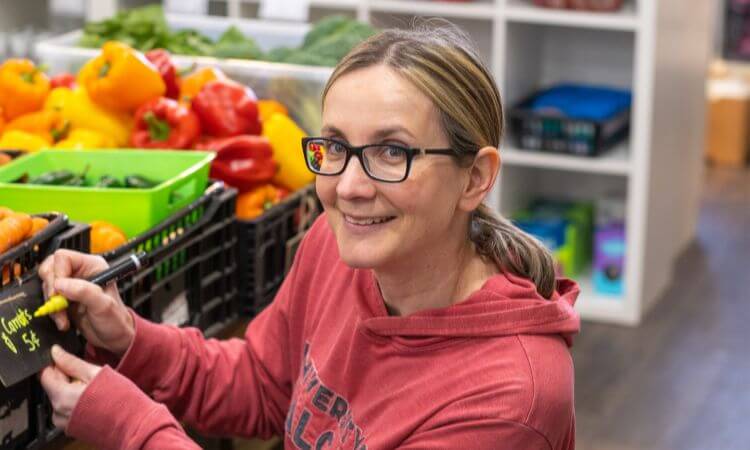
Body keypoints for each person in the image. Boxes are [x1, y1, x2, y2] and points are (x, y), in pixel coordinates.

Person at [38, 22, 580, 450]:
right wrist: (130, 336)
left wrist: (134, 428)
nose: (348, 187)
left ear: (476, 178)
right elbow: (264, 385)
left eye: (392, 151)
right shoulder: (337, 244)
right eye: (336, 147)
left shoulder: (510, 399)